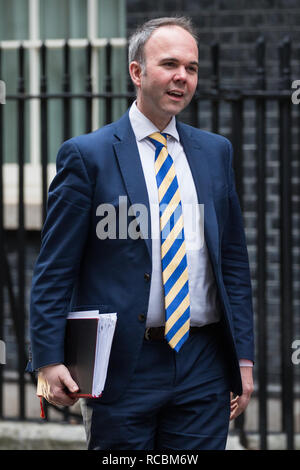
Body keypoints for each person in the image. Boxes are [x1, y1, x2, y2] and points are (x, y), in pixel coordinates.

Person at [27, 16, 254, 450]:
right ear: (137, 72)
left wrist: (242, 357)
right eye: (169, 64)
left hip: (202, 362)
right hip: (122, 366)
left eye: (191, 68)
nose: (181, 77)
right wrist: (49, 358)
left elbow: (232, 262)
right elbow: (55, 267)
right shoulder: (87, 156)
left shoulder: (214, 152)